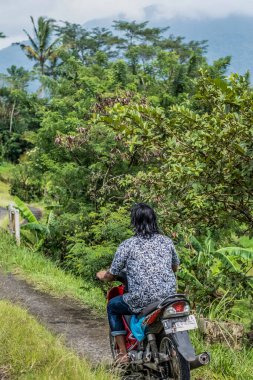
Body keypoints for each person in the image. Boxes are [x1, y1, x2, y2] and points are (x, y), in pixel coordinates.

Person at [96, 203, 180, 363]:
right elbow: (175, 267)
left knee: (112, 306)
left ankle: (123, 354)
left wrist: (102, 275)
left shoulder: (127, 244)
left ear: (134, 222)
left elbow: (112, 274)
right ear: (154, 220)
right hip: (168, 298)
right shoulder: (166, 241)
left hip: (141, 299)